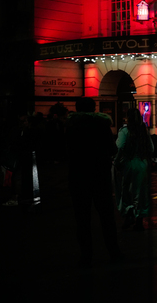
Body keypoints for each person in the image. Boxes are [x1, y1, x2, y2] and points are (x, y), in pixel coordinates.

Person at [65, 97, 121, 267]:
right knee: (106, 217)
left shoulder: (70, 126)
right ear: (94, 108)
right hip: (99, 174)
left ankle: (86, 255)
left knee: (82, 218)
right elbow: (112, 149)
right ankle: (114, 252)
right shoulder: (101, 125)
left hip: (78, 175)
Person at [115, 108, 154, 230]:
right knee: (140, 192)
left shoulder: (125, 131)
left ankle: (128, 215)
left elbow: (119, 147)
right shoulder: (144, 131)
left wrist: (116, 162)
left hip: (129, 163)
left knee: (126, 191)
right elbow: (151, 148)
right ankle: (139, 220)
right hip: (142, 164)